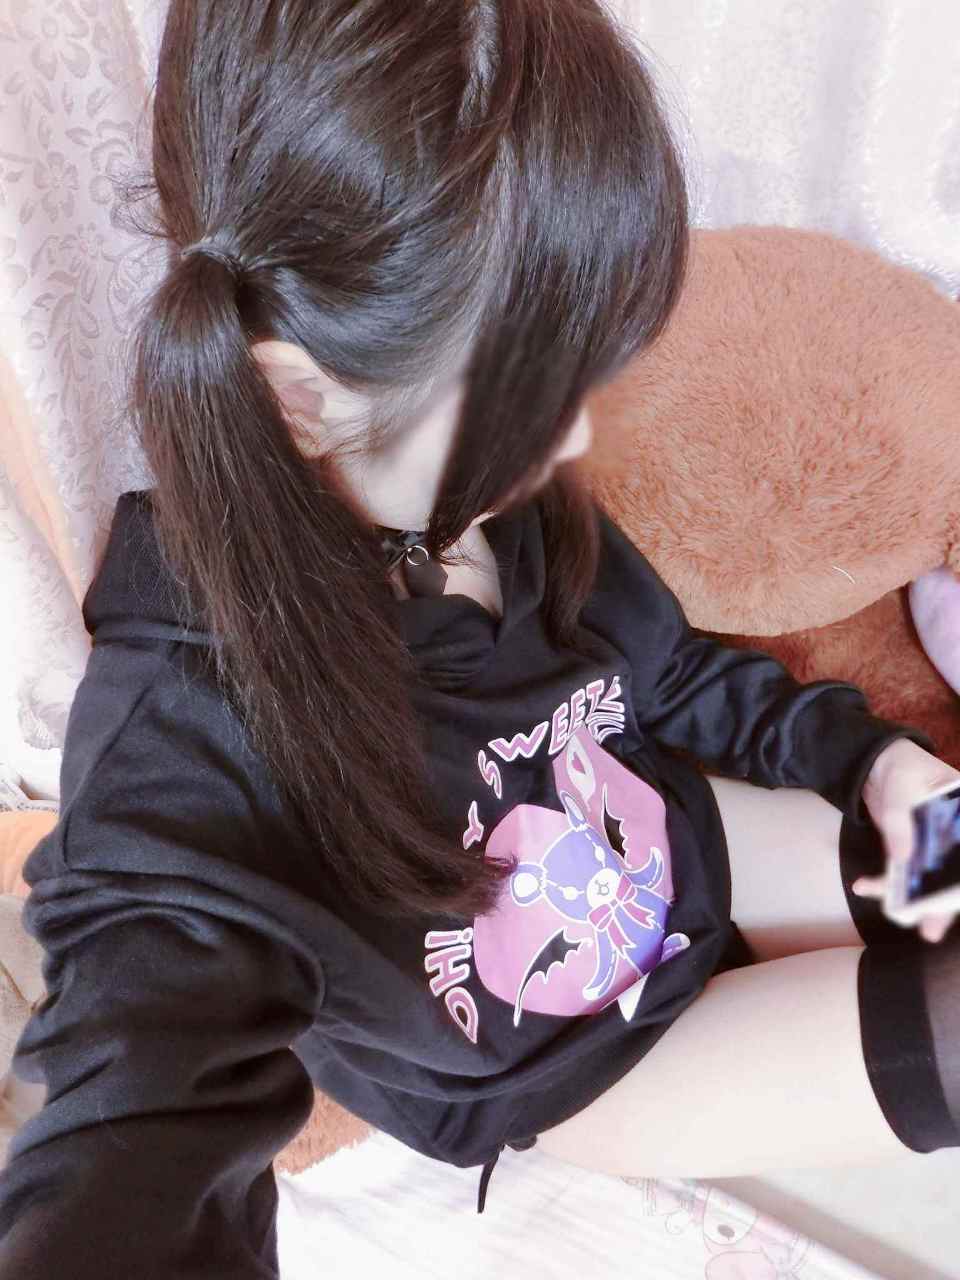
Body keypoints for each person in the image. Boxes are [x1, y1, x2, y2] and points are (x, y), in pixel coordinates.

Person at [0, 2, 957, 1275]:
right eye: (536, 393)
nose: (576, 439)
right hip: (593, 1057)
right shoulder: (183, 739)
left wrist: (865, 758)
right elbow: (132, 1109)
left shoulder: (496, 495)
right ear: (301, 394)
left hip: (685, 853)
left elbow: (668, 670)